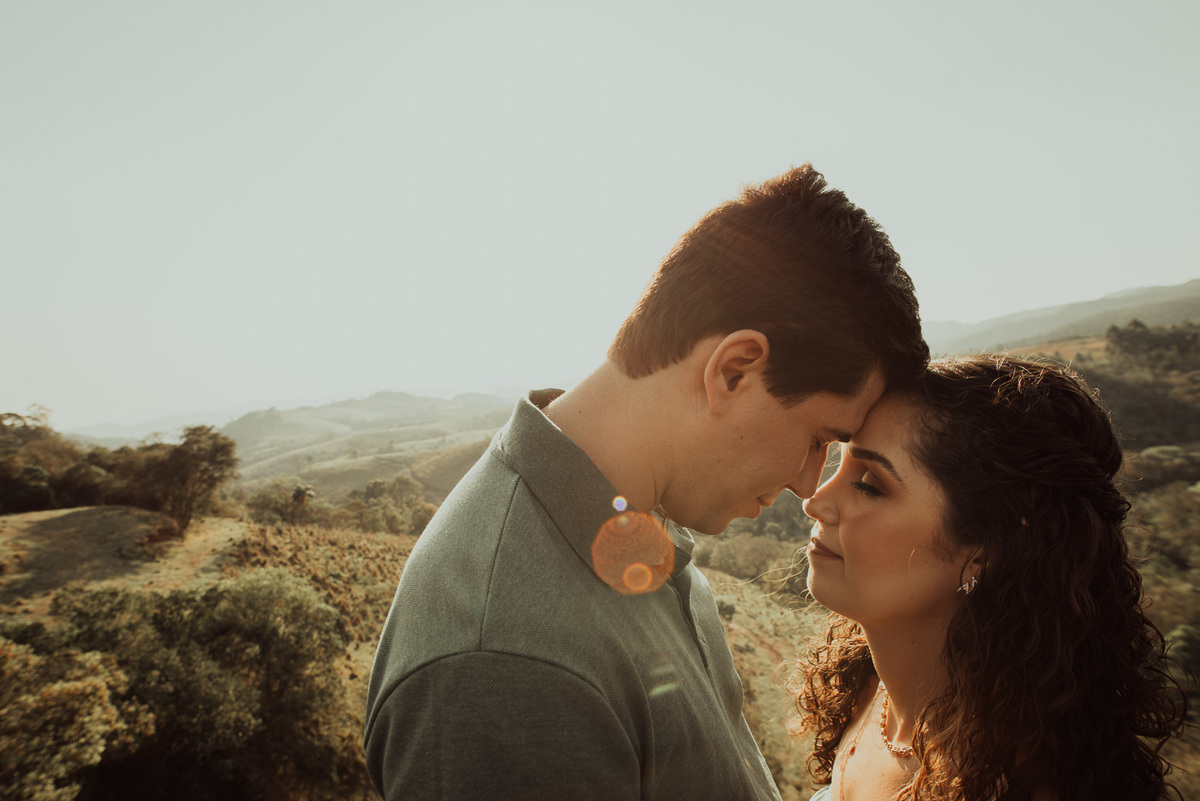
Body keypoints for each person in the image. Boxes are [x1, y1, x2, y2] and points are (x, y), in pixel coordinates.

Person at [364, 164, 929, 800]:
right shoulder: (501, 668)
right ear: (735, 370)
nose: (807, 483)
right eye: (819, 437)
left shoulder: (631, 522)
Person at [790, 354, 1186, 801]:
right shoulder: (864, 681)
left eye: (869, 484)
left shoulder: (1016, 783)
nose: (814, 501)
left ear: (985, 549)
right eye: (838, 465)